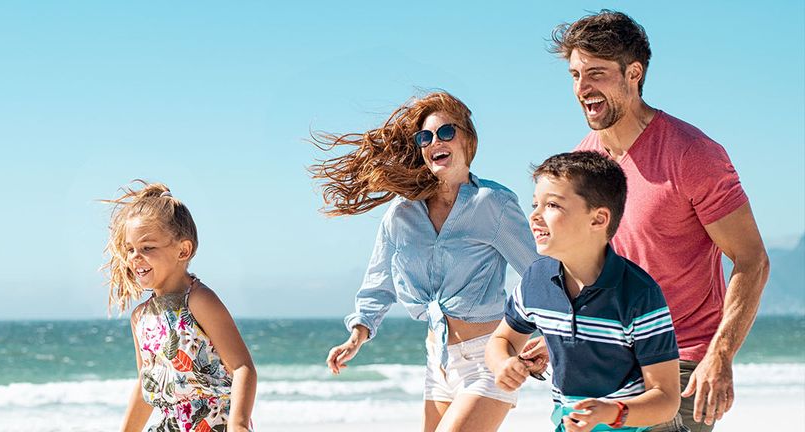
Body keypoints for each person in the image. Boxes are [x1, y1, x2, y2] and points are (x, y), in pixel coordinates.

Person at [540, 10, 772, 430]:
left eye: (596, 73)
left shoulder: (692, 154)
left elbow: (752, 260)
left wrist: (719, 356)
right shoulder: (583, 162)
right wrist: (553, 332)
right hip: (606, 362)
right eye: (575, 75)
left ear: (634, 73)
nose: (582, 88)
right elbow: (589, 267)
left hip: (679, 364)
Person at [311, 92, 538, 431]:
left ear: (467, 140)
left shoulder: (493, 204)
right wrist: (356, 336)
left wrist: (534, 335)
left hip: (486, 360)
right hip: (437, 362)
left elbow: (539, 274)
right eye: (425, 137)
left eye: (446, 131)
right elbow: (378, 282)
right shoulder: (401, 214)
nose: (435, 142)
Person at [487, 151, 682, 431]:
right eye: (535, 204)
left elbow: (666, 399)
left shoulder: (639, 294)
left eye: (552, 205)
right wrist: (502, 363)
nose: (535, 216)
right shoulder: (535, 279)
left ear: (598, 219)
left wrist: (610, 412)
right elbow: (502, 338)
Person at [105, 181, 257, 432]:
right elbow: (147, 383)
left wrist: (238, 425)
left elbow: (242, 367)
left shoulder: (199, 300)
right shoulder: (141, 317)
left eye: (147, 248)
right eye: (130, 249)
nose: (135, 257)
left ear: (183, 250)